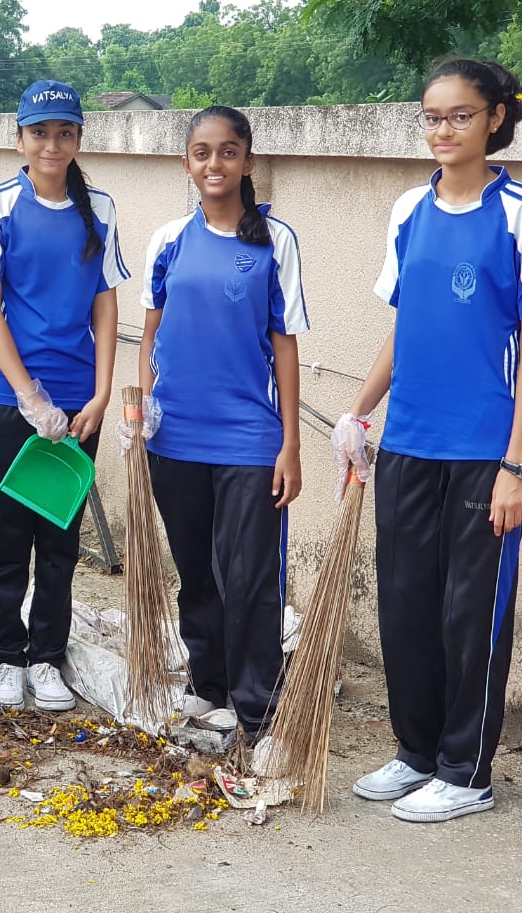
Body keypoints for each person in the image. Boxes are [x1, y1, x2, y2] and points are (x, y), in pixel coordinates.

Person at [337, 59, 522, 823]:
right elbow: (405, 327)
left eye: (460, 115)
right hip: (407, 444)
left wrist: (517, 466)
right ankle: (417, 753)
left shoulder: (521, 212)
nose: (443, 129)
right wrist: (358, 412)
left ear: (495, 118)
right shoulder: (410, 209)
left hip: (482, 454)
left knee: (471, 616)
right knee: (405, 608)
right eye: (432, 116)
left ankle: (467, 772)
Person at [129, 106, 307, 741]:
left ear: (247, 162)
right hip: (173, 439)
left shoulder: (275, 240)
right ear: (186, 163)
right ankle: (209, 686)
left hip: (249, 440)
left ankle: (255, 708)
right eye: (202, 152)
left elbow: (285, 347)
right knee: (197, 573)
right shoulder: (168, 239)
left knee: (249, 578)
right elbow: (150, 334)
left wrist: (290, 444)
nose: (215, 163)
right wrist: (143, 410)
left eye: (228, 151)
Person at [0, 80, 127, 712]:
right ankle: (5, 658)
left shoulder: (101, 208)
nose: (51, 145)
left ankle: (46, 658)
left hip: (78, 403)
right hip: (5, 399)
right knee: (6, 534)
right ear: (20, 140)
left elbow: (106, 303)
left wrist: (101, 393)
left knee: (60, 540)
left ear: (79, 139)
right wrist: (27, 396)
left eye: (64, 133)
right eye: (39, 133)